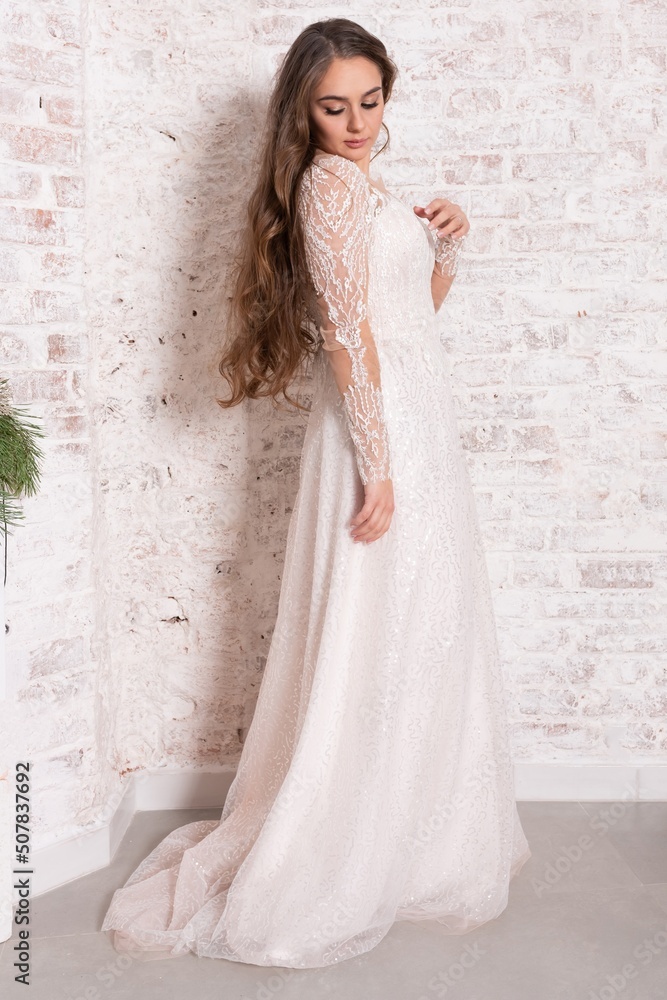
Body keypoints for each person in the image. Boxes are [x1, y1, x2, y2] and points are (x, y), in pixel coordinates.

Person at [100, 17, 531, 969]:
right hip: (377, 431)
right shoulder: (326, 190)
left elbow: (406, 319)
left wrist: (445, 247)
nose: (355, 122)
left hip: (416, 415)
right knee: (372, 621)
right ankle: (340, 838)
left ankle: (406, 829)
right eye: (333, 106)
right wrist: (378, 466)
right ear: (303, 109)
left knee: (421, 622)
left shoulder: (364, 185)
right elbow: (345, 341)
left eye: (370, 102)